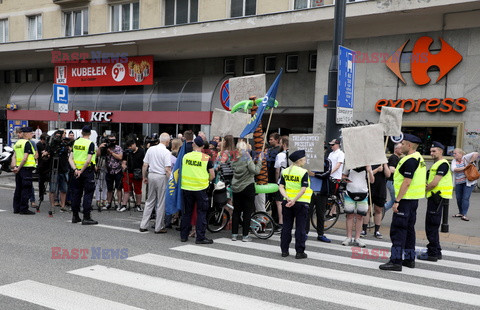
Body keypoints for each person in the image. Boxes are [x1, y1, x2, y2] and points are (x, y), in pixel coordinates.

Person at [379, 134, 426, 271]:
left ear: (409, 145)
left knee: (398, 231)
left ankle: (395, 261)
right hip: (413, 200)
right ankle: (409, 259)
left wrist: (397, 201)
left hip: (405, 200)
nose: (401, 146)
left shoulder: (410, 160)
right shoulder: (419, 158)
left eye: (403, 144)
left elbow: (406, 182)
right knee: (409, 231)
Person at [420, 141, 453, 261]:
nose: (431, 153)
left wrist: (423, 189)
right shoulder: (438, 164)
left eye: (434, 151)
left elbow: (434, 183)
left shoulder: (442, 164)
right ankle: (437, 251)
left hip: (437, 199)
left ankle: (432, 253)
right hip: (435, 198)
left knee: (431, 226)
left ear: (440, 151)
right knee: (432, 225)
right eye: (430, 151)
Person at [180, 136, 215, 244]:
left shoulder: (186, 156)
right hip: (200, 188)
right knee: (201, 213)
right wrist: (207, 181)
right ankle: (200, 237)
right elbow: (212, 175)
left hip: (186, 188)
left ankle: (184, 236)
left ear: (193, 144)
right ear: (203, 146)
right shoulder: (206, 158)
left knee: (187, 213)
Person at [278, 150, 312, 259]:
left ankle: (284, 251)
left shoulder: (285, 171)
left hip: (287, 202)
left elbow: (281, 186)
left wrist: (288, 198)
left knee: (286, 227)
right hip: (301, 203)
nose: (305, 160)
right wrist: (294, 200)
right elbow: (303, 189)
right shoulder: (303, 172)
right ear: (300, 160)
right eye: (304, 159)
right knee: (300, 228)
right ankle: (299, 252)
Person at [231, 141, 263, 242]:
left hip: (236, 186)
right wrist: (260, 161)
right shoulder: (247, 157)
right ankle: (245, 236)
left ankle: (234, 235)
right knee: (247, 212)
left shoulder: (234, 157)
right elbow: (255, 171)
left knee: (236, 211)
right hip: (247, 186)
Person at [139, 133, 172, 233]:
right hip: (161, 176)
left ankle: (143, 225)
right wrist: (172, 180)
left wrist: (144, 176)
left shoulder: (151, 149)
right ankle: (159, 227)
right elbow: (167, 169)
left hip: (151, 175)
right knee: (161, 202)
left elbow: (145, 165)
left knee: (150, 201)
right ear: (167, 142)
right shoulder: (166, 152)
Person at [68, 126, 98, 225]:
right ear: (89, 134)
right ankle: (86, 217)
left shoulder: (76, 142)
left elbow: (70, 159)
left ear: (81, 132)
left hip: (75, 172)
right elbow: (88, 160)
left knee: (76, 194)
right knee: (88, 194)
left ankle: (75, 216)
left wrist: (75, 169)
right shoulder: (90, 144)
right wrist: (81, 170)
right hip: (86, 172)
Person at [342, 166, 374, 247]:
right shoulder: (349, 164)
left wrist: (370, 171)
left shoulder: (367, 165)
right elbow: (343, 176)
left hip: (363, 193)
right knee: (350, 216)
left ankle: (357, 238)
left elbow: (372, 181)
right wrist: (346, 180)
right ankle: (348, 237)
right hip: (349, 193)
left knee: (360, 217)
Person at [306, 157, 332, 243]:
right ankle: (305, 233)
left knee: (320, 214)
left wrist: (314, 174)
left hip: (321, 192)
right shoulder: (308, 159)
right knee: (307, 213)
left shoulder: (327, 161)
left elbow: (327, 174)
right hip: (309, 191)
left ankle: (320, 234)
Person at [11, 127, 36, 215]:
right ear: (26, 134)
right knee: (26, 189)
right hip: (25, 169)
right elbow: (25, 158)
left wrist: (14, 167)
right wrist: (19, 167)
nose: (32, 134)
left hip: (18, 169)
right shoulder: (27, 143)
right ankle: (24, 209)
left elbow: (14, 156)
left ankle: (16, 208)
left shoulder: (18, 143)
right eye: (31, 133)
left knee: (18, 188)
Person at [362, 162, 390, 239]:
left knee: (378, 210)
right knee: (367, 209)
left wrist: (384, 165)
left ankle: (377, 230)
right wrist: (377, 170)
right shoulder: (369, 161)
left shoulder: (383, 162)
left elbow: (388, 175)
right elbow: (366, 175)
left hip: (380, 189)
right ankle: (364, 229)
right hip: (369, 188)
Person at [46, 130, 70, 216]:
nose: (57, 138)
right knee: (52, 189)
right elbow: (47, 154)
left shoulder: (64, 144)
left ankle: (62, 205)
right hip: (53, 169)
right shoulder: (51, 145)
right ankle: (52, 205)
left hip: (63, 169)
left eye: (59, 136)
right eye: (56, 136)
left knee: (64, 189)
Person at [451, 148, 479, 221]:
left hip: (468, 182)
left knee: (465, 198)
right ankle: (460, 212)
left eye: (455, 153)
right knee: (458, 198)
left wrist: (471, 162)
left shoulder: (465, 157)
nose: (453, 155)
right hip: (458, 182)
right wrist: (466, 167)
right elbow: (454, 169)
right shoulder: (454, 161)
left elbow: (476, 153)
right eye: (453, 153)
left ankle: (464, 214)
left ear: (461, 154)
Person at [98, 135, 123, 210]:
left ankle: (119, 203)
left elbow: (120, 157)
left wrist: (111, 153)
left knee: (118, 188)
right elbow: (98, 155)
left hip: (118, 170)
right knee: (109, 188)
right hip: (109, 170)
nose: (112, 142)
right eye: (110, 141)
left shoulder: (118, 148)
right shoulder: (106, 148)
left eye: (113, 141)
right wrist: (100, 147)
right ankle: (108, 202)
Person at [120, 140, 145, 212]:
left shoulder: (141, 151)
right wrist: (123, 165)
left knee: (138, 189)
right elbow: (124, 162)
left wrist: (143, 174)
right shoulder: (127, 152)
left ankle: (138, 205)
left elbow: (144, 163)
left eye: (131, 146)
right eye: (129, 147)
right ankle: (124, 205)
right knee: (126, 189)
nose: (130, 148)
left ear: (134, 144)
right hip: (128, 172)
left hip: (137, 172)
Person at [273, 136, 289, 231]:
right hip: (292, 181)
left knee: (279, 202)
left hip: (282, 181)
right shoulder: (293, 154)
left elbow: (277, 170)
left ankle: (281, 223)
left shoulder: (280, 155)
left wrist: (276, 181)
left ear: (283, 144)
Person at [385, 143, 402, 211]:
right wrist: (402, 173)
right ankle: (382, 209)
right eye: (400, 148)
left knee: (394, 200)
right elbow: (391, 169)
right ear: (395, 149)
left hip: (393, 182)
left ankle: (381, 210)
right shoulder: (393, 157)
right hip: (391, 182)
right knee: (395, 200)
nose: (402, 150)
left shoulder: (397, 158)